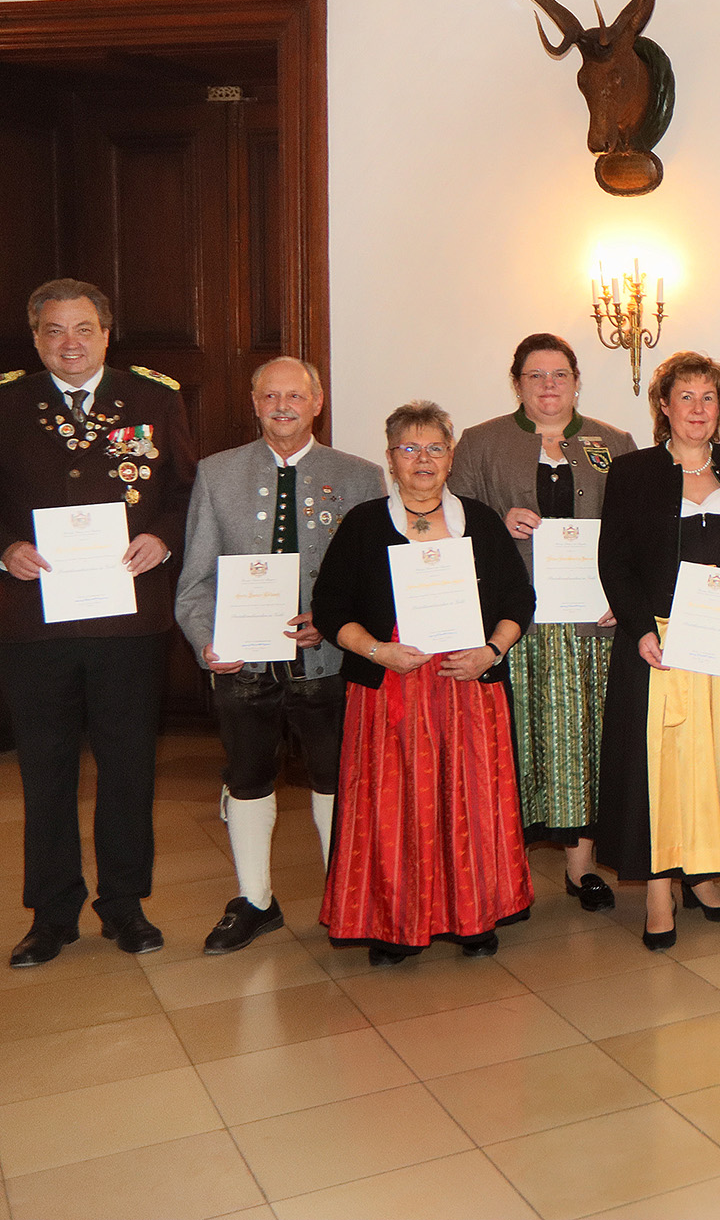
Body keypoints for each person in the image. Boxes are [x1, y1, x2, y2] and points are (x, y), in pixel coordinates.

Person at [2, 279, 197, 968]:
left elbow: (182, 491)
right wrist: (6, 546)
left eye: (83, 328)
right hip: (36, 624)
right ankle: (51, 914)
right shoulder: (8, 403)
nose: (71, 342)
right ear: (35, 338)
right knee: (46, 772)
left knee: (127, 767)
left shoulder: (153, 398)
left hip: (128, 621)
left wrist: (165, 540)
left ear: (107, 333)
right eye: (54, 331)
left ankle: (124, 905)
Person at [311, 402, 535, 965]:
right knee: (394, 807)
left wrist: (490, 651)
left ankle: (473, 915)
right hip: (390, 689)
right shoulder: (363, 524)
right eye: (409, 448)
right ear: (390, 460)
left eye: (434, 447)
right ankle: (391, 922)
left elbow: (517, 600)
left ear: (451, 456)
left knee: (469, 802)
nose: (422, 459)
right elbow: (330, 607)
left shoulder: (480, 521)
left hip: (467, 688)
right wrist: (377, 650)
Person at [174, 356, 384, 954]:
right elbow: (194, 583)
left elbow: (374, 583)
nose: (283, 406)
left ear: (317, 403)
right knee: (246, 781)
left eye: (295, 396)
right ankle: (255, 900)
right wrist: (205, 640)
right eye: (270, 396)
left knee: (335, 780)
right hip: (243, 668)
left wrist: (337, 623)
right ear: (254, 403)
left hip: (330, 667)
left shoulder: (360, 476)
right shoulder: (217, 475)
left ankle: (345, 897)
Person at [597, 353, 720, 951]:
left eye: (709, 398)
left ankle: (702, 873)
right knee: (666, 769)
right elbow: (615, 561)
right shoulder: (633, 472)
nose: (697, 409)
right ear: (664, 406)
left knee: (717, 763)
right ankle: (658, 888)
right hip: (662, 642)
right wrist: (638, 630)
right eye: (686, 397)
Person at [451, 334, 637, 913]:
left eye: (560, 374)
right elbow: (449, 523)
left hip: (593, 625)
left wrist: (625, 598)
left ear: (577, 381)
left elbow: (636, 533)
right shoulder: (481, 443)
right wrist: (494, 522)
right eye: (536, 376)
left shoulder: (615, 442)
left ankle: (581, 869)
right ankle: (510, 871)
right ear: (518, 384)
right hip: (518, 625)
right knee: (516, 743)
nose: (549, 386)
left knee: (587, 743)